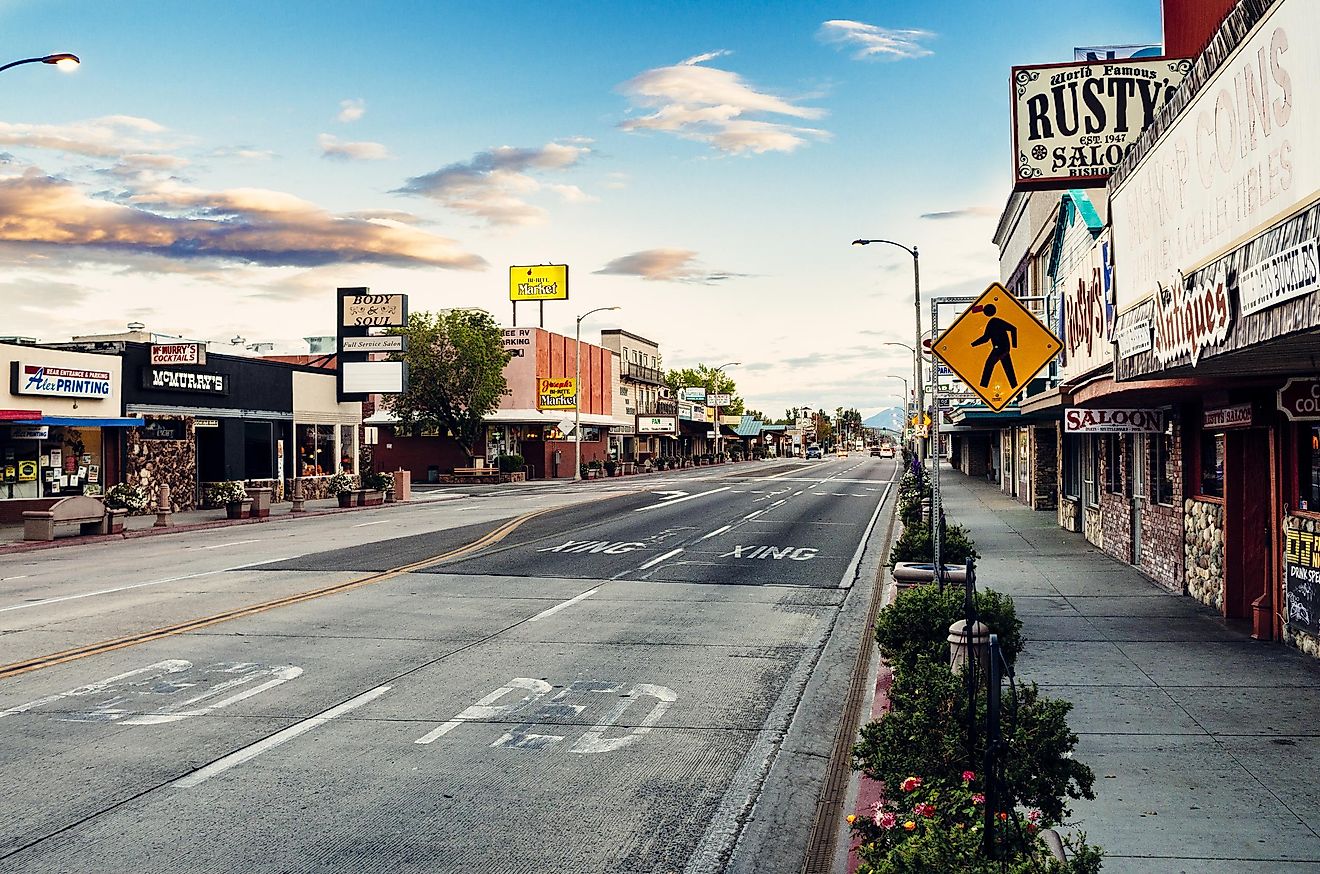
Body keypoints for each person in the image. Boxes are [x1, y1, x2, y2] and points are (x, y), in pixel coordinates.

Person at [970, 303, 1018, 388]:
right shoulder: (991, 323)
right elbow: (986, 338)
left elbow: (1013, 329)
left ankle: (983, 386)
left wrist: (1014, 345)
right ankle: (1014, 386)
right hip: (1002, 348)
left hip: (1000, 349)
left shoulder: (995, 321)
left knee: (989, 364)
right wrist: (973, 344)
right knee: (1008, 369)